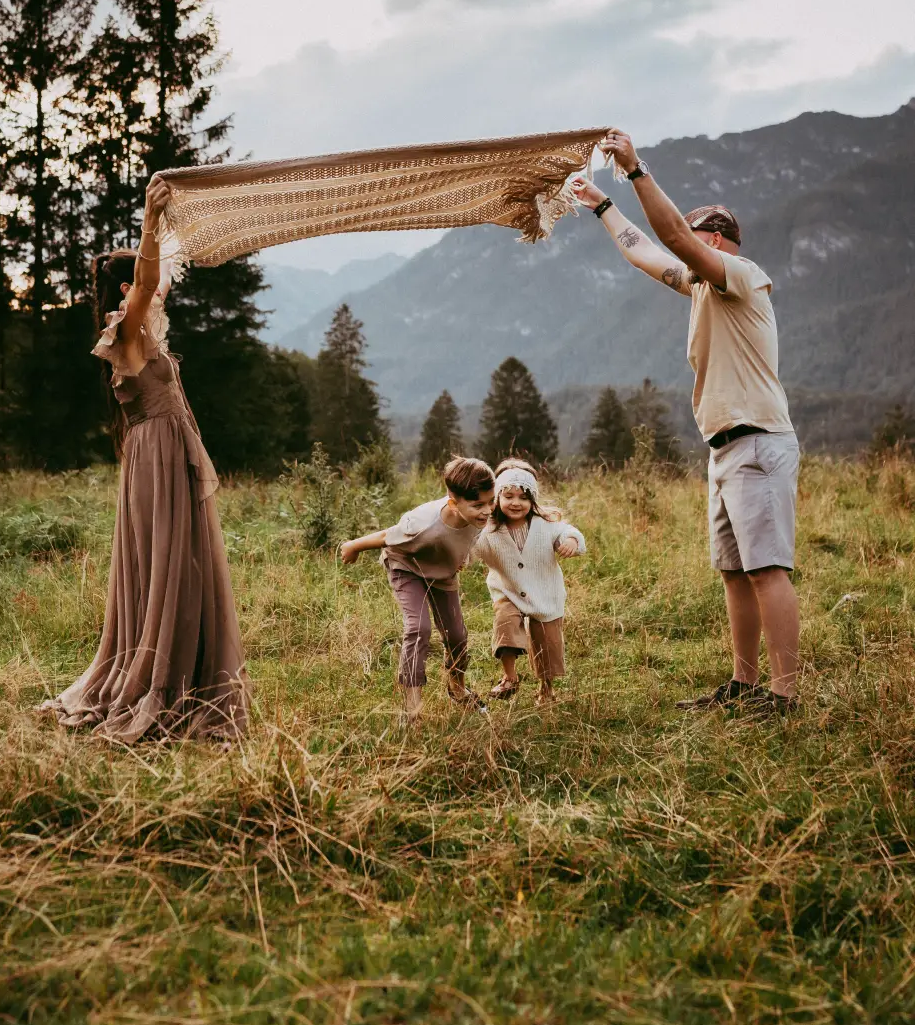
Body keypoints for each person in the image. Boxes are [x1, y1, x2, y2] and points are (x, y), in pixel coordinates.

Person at [574, 129, 800, 716]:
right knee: (734, 572)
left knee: (767, 570)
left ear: (716, 241)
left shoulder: (739, 274)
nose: (681, 249)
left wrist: (633, 168)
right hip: (724, 447)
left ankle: (784, 693)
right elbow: (643, 250)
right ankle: (746, 683)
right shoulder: (700, 287)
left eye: (694, 240)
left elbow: (669, 235)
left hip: (757, 441)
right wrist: (600, 205)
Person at [39, 178, 247, 744]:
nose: (164, 291)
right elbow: (152, 276)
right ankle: (158, 680)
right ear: (130, 289)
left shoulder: (146, 336)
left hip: (168, 455)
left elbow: (157, 280)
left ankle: (192, 671)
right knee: (168, 564)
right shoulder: (124, 333)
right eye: (150, 287)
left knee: (186, 564)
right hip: (155, 461)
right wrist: (150, 217)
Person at [340, 457, 495, 723]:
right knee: (418, 628)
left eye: (491, 502)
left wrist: (462, 560)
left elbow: (470, 539)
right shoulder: (423, 523)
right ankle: (412, 708)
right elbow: (385, 536)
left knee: (457, 635)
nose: (487, 510)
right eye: (478, 505)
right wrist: (353, 546)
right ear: (453, 503)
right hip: (407, 567)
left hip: (442, 572)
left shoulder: (481, 517)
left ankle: (457, 688)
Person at [473, 459, 585, 706]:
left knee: (547, 641)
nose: (516, 502)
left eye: (524, 498)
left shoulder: (546, 525)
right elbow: (469, 546)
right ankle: (510, 677)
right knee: (505, 624)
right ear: (497, 499)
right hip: (508, 590)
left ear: (532, 501)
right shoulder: (489, 529)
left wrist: (571, 542)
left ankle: (546, 690)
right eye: (509, 496)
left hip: (545, 591)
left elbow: (568, 531)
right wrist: (459, 558)